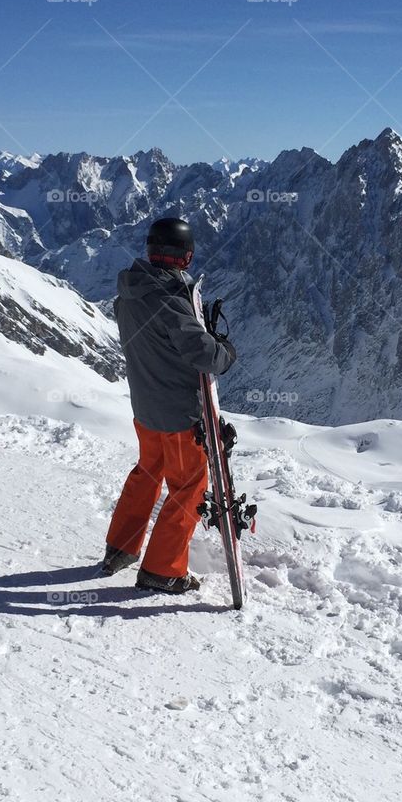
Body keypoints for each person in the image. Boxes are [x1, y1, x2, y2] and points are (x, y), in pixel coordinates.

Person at [101, 216, 235, 594]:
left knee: (147, 472)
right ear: (186, 258)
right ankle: (162, 569)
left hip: (145, 409)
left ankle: (121, 547)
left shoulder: (127, 295)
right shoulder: (169, 300)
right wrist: (225, 350)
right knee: (189, 486)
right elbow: (204, 354)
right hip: (179, 414)